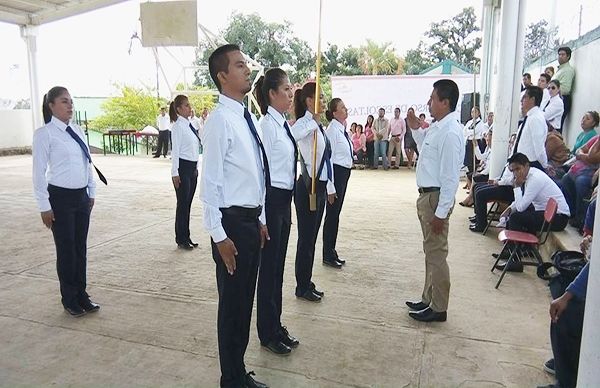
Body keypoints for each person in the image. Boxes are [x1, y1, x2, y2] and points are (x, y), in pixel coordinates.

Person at [199, 44, 270, 388]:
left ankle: (238, 372)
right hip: (230, 227)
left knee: (244, 302)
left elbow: (248, 174)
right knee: (233, 306)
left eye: (246, 64)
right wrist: (218, 235)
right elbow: (210, 183)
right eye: (240, 65)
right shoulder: (219, 121)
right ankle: (231, 378)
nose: (247, 69)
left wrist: (259, 218)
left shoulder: (244, 117)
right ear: (222, 75)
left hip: (247, 221)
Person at [32, 86, 104, 316]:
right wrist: (44, 205)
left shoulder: (77, 130)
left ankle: (82, 294)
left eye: (71, 101)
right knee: (66, 250)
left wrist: (91, 191)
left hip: (81, 197)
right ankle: (69, 298)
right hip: (60, 198)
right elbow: (38, 172)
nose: (69, 105)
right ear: (51, 105)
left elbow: (87, 162)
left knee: (80, 248)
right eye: (64, 101)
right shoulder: (45, 134)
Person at [405, 79, 464, 322]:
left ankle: (439, 307)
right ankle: (428, 298)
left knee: (437, 254)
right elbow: (424, 147)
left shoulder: (450, 132)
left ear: (445, 102)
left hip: (436, 198)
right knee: (431, 252)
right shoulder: (439, 127)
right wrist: (415, 128)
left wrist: (441, 212)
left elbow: (451, 177)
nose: (429, 102)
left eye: (433, 99)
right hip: (427, 197)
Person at [253, 68, 300, 356]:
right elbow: (260, 173)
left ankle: (276, 323)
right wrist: (261, 216)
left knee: (278, 270)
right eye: (285, 90)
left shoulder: (282, 124)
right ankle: (266, 332)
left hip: (285, 201)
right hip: (271, 202)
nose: (290, 94)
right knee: (269, 271)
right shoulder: (266, 127)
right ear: (271, 94)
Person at [291, 82, 335, 303]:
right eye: (320, 97)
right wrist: (313, 123)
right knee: (306, 239)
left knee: (312, 239)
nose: (324, 100)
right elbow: (294, 134)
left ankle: (307, 281)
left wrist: (330, 187)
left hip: (320, 187)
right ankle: (301, 285)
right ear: (309, 101)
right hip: (308, 187)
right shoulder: (304, 123)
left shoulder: (318, 126)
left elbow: (325, 160)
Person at [496, 153, 570, 267]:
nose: (516, 173)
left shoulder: (535, 178)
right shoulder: (529, 175)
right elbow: (523, 200)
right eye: (513, 171)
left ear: (526, 165)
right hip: (546, 213)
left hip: (558, 218)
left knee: (516, 217)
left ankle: (515, 262)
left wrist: (516, 186)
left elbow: (521, 207)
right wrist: (510, 208)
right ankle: (511, 251)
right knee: (514, 215)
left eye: (518, 169)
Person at [323, 98, 352, 269]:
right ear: (334, 113)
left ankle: (331, 250)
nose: (345, 109)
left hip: (344, 173)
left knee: (336, 215)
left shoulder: (341, 129)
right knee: (332, 215)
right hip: (336, 174)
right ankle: (327, 253)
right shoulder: (332, 131)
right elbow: (328, 159)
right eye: (342, 107)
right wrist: (330, 186)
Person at [170, 95, 200, 250]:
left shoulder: (190, 125)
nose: (190, 108)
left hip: (192, 168)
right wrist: (174, 172)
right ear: (179, 109)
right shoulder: (177, 127)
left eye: (189, 105)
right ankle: (180, 238)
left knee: (187, 204)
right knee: (182, 204)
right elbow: (175, 151)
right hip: (182, 168)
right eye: (186, 105)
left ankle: (186, 236)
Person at [560, 134, 600, 232]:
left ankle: (581, 220)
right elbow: (579, 150)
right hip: (578, 170)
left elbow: (592, 156)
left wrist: (582, 156)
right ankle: (572, 214)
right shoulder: (596, 138)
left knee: (581, 182)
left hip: (591, 174)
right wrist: (583, 156)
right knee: (565, 179)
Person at [513, 86, 548, 171]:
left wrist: (545, 166)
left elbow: (539, 148)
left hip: (530, 165)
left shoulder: (536, 118)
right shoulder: (529, 117)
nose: (521, 100)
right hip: (521, 163)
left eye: (525, 97)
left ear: (532, 99)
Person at [553, 46, 575, 132]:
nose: (560, 56)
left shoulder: (568, 70)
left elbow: (565, 89)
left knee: (557, 127)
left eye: (563, 54)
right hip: (556, 99)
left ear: (568, 56)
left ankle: (556, 145)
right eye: (559, 54)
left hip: (563, 99)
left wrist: (552, 90)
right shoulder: (560, 70)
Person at [463, 106, 485, 179]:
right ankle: (470, 179)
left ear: (478, 113)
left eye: (475, 112)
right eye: (472, 112)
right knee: (469, 163)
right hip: (469, 143)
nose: (473, 113)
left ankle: (473, 179)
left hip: (476, 142)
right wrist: (469, 132)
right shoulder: (469, 122)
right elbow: (464, 131)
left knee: (475, 162)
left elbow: (475, 131)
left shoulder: (480, 123)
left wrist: (469, 132)